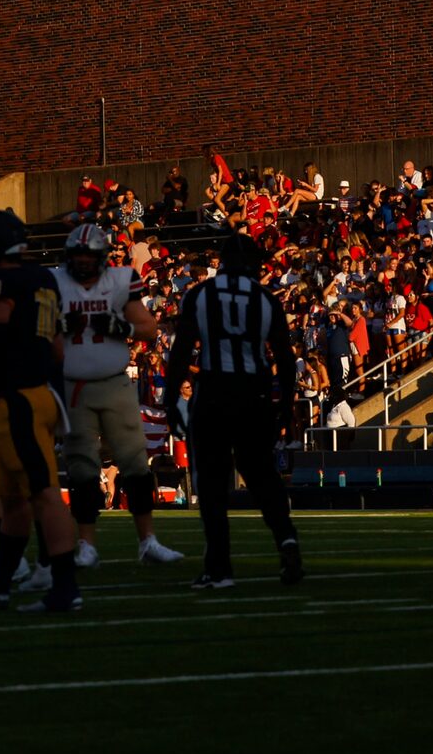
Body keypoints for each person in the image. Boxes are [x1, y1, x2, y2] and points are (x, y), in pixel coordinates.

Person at [0, 208, 85, 614]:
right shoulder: (44, 278)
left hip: (19, 400)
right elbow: (58, 348)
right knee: (12, 498)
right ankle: (0, 582)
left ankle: (64, 587)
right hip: (37, 394)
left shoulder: (0, 283)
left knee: (44, 494)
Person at [161, 233, 302, 590]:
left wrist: (169, 400)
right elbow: (285, 359)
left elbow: (180, 352)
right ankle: (286, 539)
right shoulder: (266, 299)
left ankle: (219, 567)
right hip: (253, 392)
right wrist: (286, 404)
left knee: (211, 482)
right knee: (262, 474)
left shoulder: (201, 294)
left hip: (214, 391)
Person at [52, 223, 180, 568]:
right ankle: (86, 544)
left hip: (114, 381)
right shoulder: (55, 283)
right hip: (73, 385)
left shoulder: (122, 279)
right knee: (82, 470)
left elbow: (150, 327)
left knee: (135, 466)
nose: (81, 262)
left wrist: (120, 327)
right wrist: (59, 329)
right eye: (76, 255)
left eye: (87, 255)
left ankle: (148, 540)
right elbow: (37, 334)